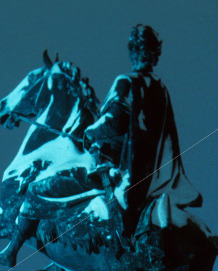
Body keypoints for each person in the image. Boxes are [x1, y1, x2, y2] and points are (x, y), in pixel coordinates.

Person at [82, 24, 202, 251]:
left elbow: (114, 122)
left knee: (95, 205)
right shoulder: (160, 87)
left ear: (133, 52)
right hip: (162, 174)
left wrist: (90, 132)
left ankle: (123, 246)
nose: (141, 55)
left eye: (140, 50)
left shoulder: (126, 82)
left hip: (133, 170)